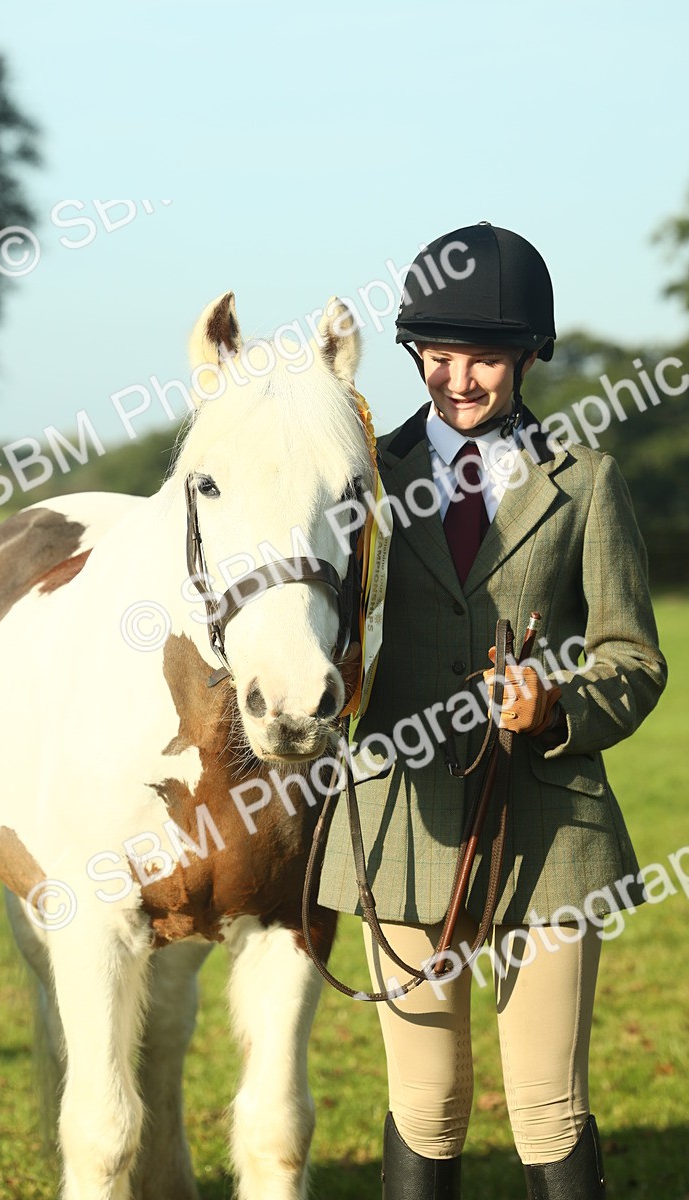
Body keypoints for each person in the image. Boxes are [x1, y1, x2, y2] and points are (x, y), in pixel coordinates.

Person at [317, 222, 667, 1199]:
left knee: (546, 1103)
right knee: (425, 1102)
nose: (456, 379)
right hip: (400, 824)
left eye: (480, 357)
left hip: (550, 825)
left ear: (524, 357)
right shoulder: (362, 479)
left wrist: (558, 704)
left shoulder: (584, 481)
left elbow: (631, 656)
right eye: (436, 356)